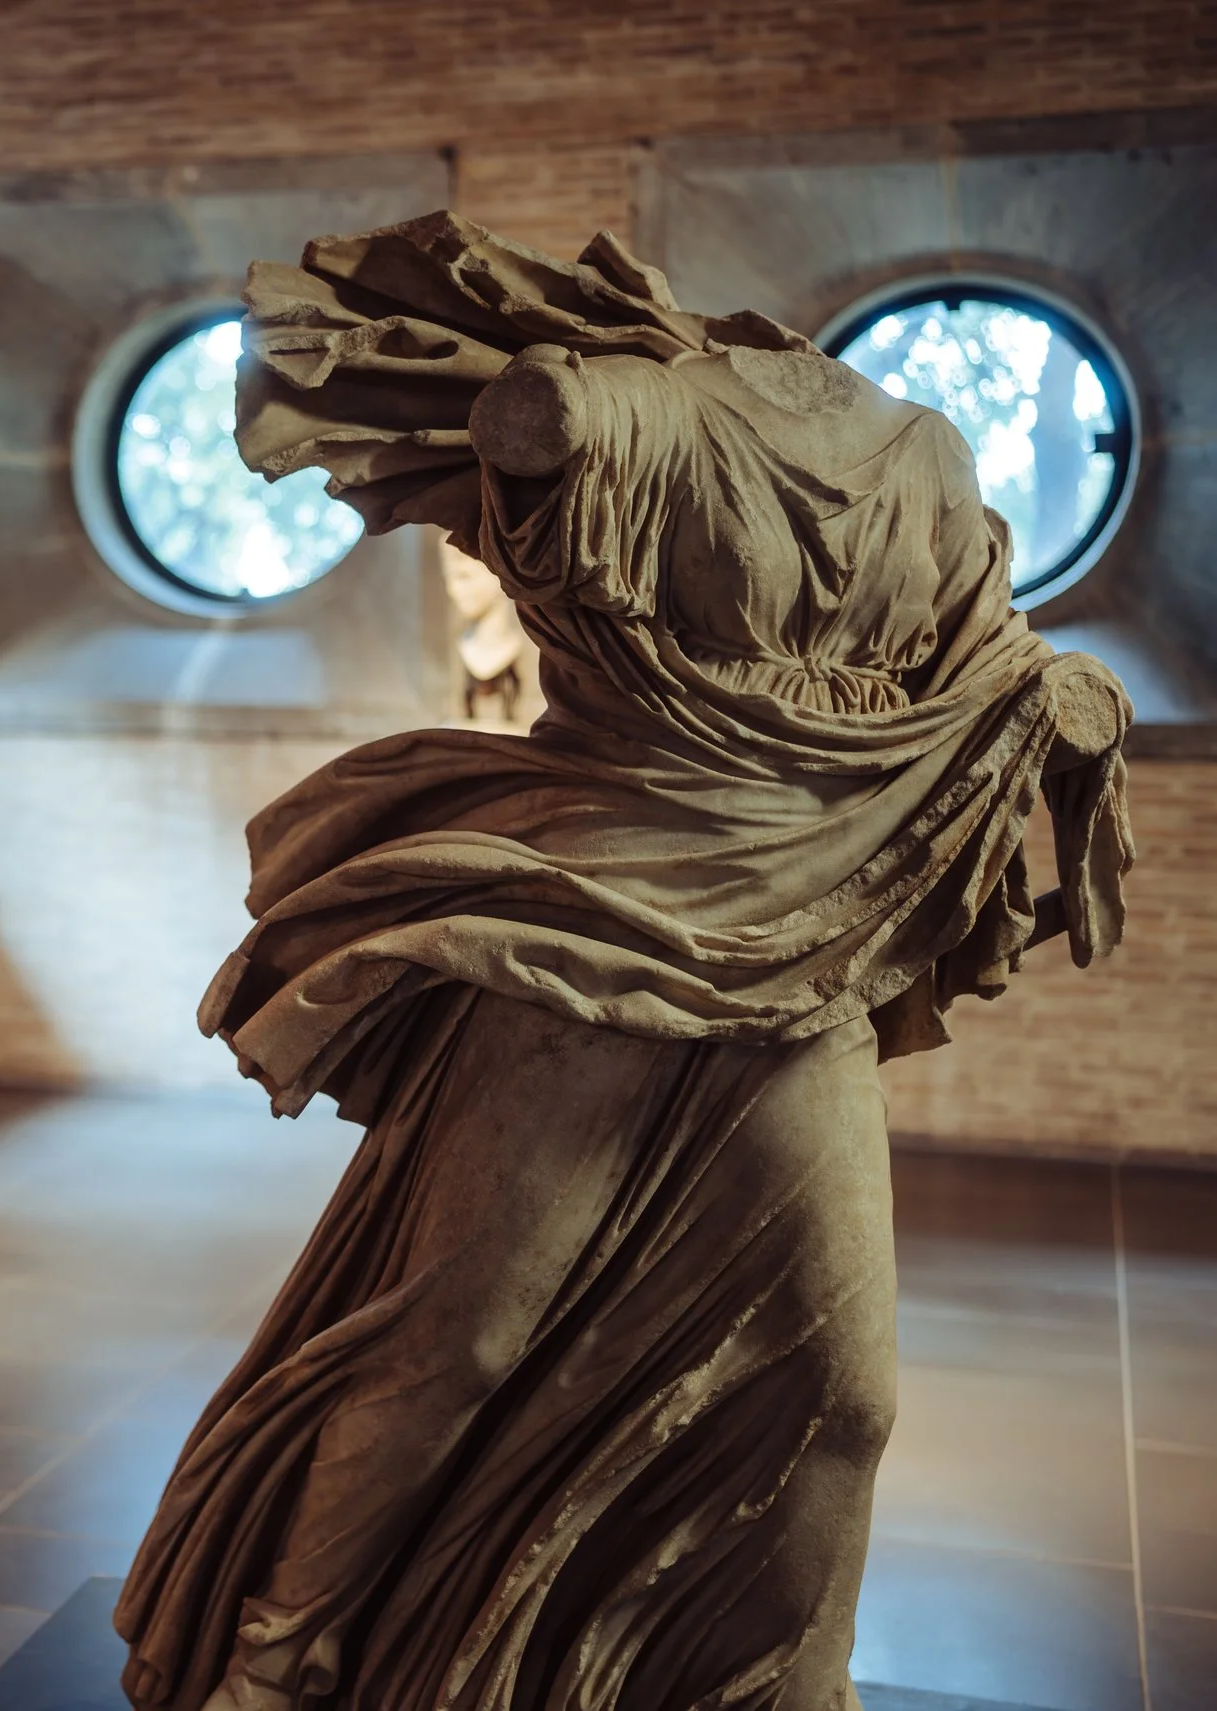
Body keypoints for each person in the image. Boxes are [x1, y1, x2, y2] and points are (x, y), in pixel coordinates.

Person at [113, 212, 1133, 1711]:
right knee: (458, 1336)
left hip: (805, 946)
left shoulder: (923, 461)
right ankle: (275, 1651)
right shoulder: (605, 417)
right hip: (593, 926)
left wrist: (1056, 699)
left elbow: (983, 658)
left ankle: (777, 1683)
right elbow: (539, 444)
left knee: (837, 1389)